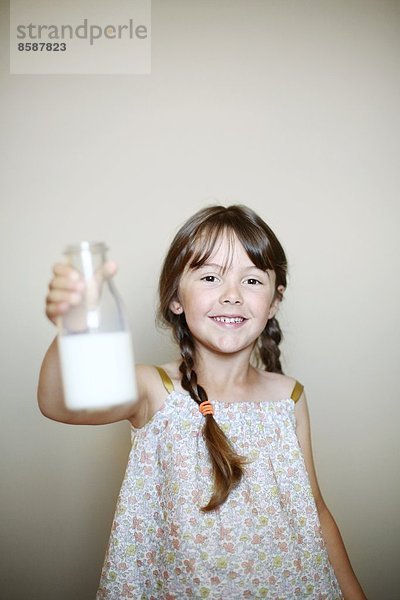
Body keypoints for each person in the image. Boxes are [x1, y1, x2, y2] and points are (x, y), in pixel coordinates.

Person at [38, 205, 366, 599]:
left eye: (252, 280)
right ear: (177, 298)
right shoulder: (154, 390)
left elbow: (315, 511)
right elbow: (58, 402)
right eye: (210, 277)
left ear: (274, 302)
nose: (232, 295)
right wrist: (73, 322)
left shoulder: (288, 396)